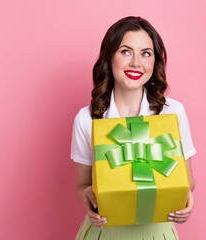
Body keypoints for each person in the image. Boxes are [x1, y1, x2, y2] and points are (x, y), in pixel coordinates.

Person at [71, 16, 196, 239]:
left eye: (145, 53)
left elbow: (188, 180)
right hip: (105, 231)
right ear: (109, 57)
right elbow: (82, 186)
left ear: (154, 62)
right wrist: (88, 197)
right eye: (126, 51)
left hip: (158, 231)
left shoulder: (173, 112)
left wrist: (186, 197)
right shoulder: (87, 119)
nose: (136, 63)